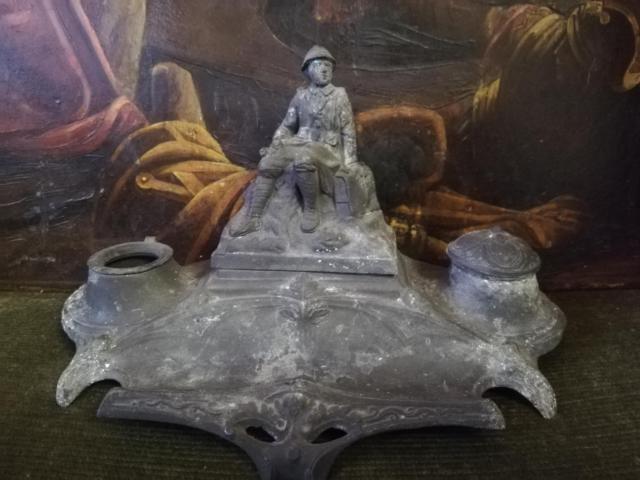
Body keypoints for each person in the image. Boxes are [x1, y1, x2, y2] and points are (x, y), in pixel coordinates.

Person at [231, 45, 358, 236]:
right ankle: (254, 218)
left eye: (328, 66)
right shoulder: (301, 96)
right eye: (319, 65)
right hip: (299, 143)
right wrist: (276, 143)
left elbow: (348, 130)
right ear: (308, 70)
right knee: (267, 163)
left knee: (303, 160)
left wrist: (350, 161)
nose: (324, 69)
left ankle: (311, 210)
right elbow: (287, 125)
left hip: (327, 150)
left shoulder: (339, 95)